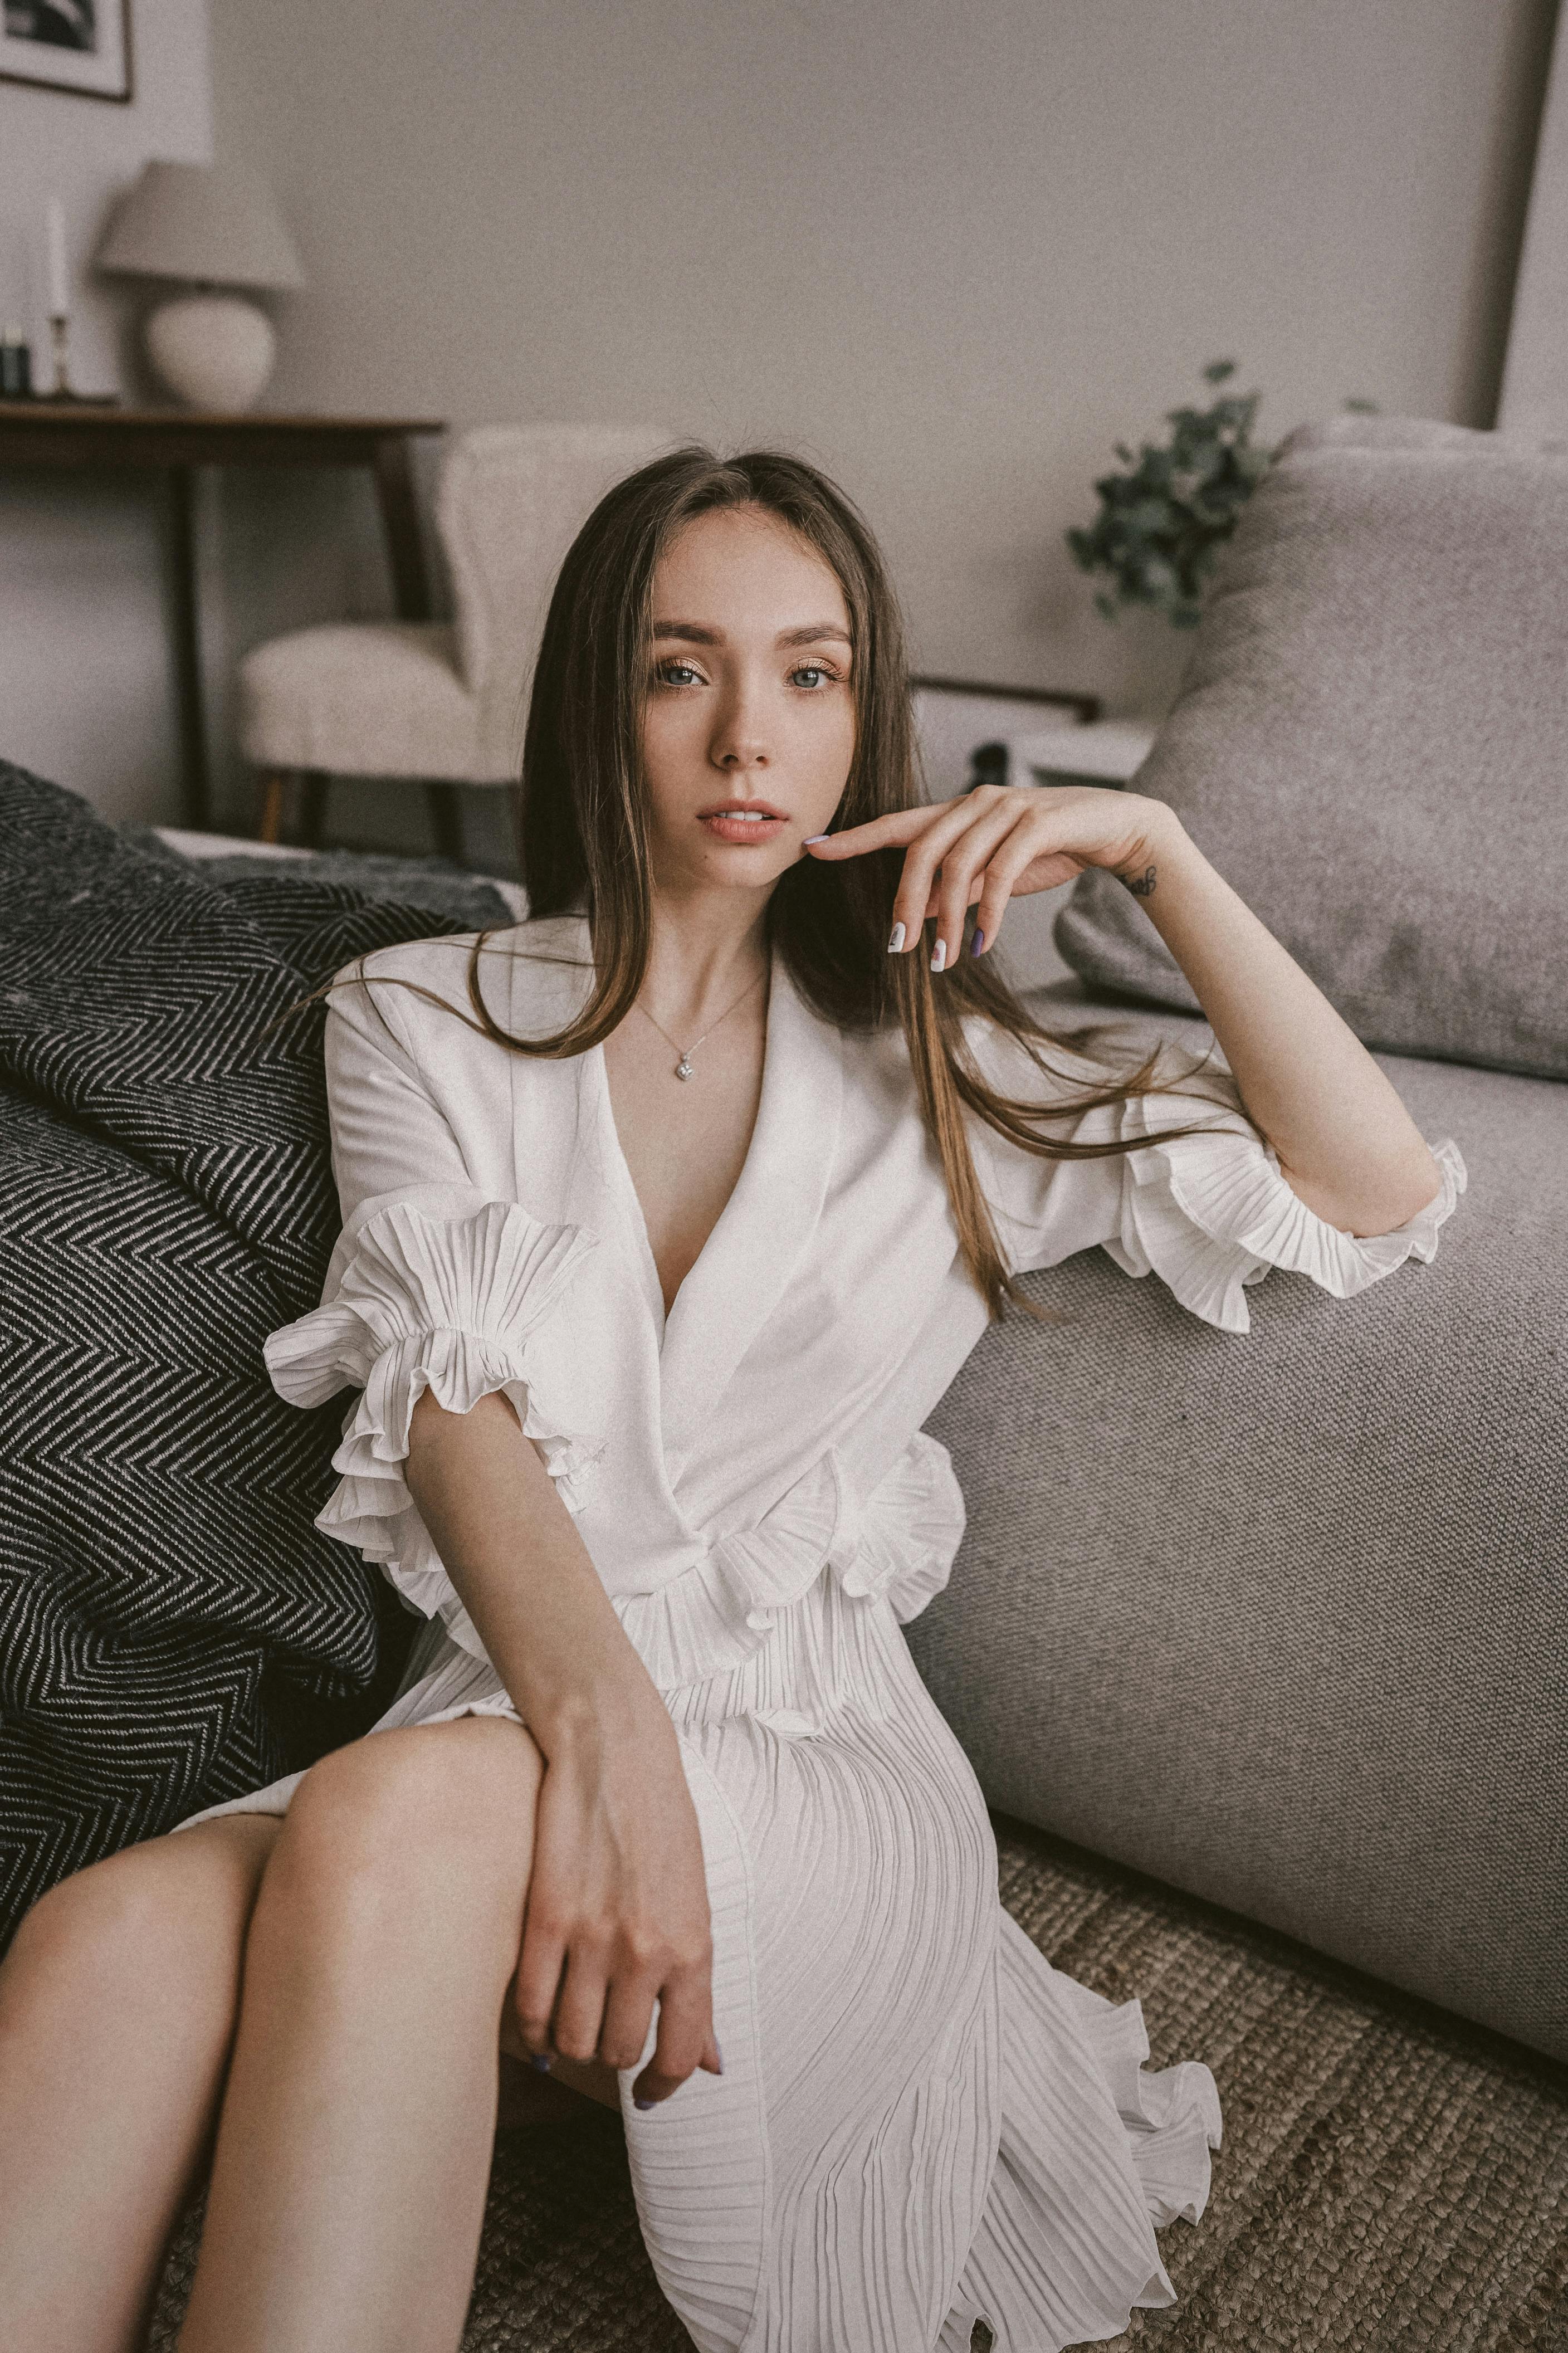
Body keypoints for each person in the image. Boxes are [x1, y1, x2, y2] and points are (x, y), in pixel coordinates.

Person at [0, 447, 1463, 2353]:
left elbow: (1372, 1193)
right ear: (600, 704)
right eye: (683, 669)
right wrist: (607, 1761)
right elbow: (452, 1411)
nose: (749, 735)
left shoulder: (947, 1070)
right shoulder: (421, 1013)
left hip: (803, 1768)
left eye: (814, 673)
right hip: (509, 1734)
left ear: (870, 719)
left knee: (388, 1832)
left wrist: (1158, 856)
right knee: (102, 1934)